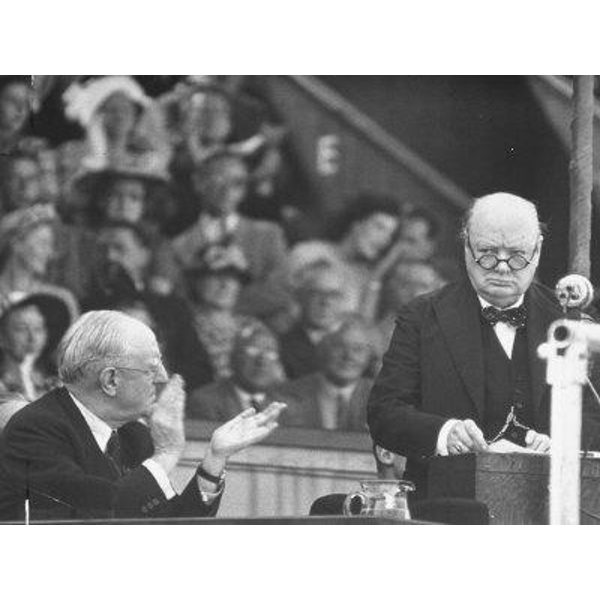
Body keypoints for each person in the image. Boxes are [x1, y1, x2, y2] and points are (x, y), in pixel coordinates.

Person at [367, 192, 600, 499]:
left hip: (547, 505)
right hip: (445, 507)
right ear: (466, 245)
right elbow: (384, 413)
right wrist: (445, 433)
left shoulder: (571, 322)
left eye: (517, 255)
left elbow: (594, 418)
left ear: (538, 249)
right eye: (487, 252)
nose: (502, 267)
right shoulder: (421, 316)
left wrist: (560, 446)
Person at [0, 310, 285, 521]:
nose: (162, 377)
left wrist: (214, 459)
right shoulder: (36, 428)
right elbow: (99, 514)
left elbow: (171, 528)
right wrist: (167, 453)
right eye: (150, 369)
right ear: (110, 380)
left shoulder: (133, 435)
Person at [172, 150, 290, 322]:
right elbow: (175, 296)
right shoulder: (180, 242)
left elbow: (281, 291)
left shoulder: (269, 234)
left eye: (237, 183)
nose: (227, 190)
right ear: (199, 183)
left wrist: (218, 300)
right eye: (219, 179)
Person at [275, 316, 375, 431]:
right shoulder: (285, 396)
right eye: (339, 347)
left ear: (369, 357)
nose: (349, 356)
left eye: (358, 349)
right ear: (322, 350)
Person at [186, 244, 264, 380]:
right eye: (216, 276)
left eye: (233, 278)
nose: (225, 285)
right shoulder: (184, 329)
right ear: (197, 282)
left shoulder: (254, 327)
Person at [187, 323, 284, 421]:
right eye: (253, 349)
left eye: (270, 351)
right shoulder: (205, 401)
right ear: (233, 357)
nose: (262, 361)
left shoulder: (287, 407)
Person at [279, 262, 351, 379]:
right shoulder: (282, 348)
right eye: (317, 293)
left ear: (343, 300)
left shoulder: (357, 347)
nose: (326, 302)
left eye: (334, 295)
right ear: (299, 297)